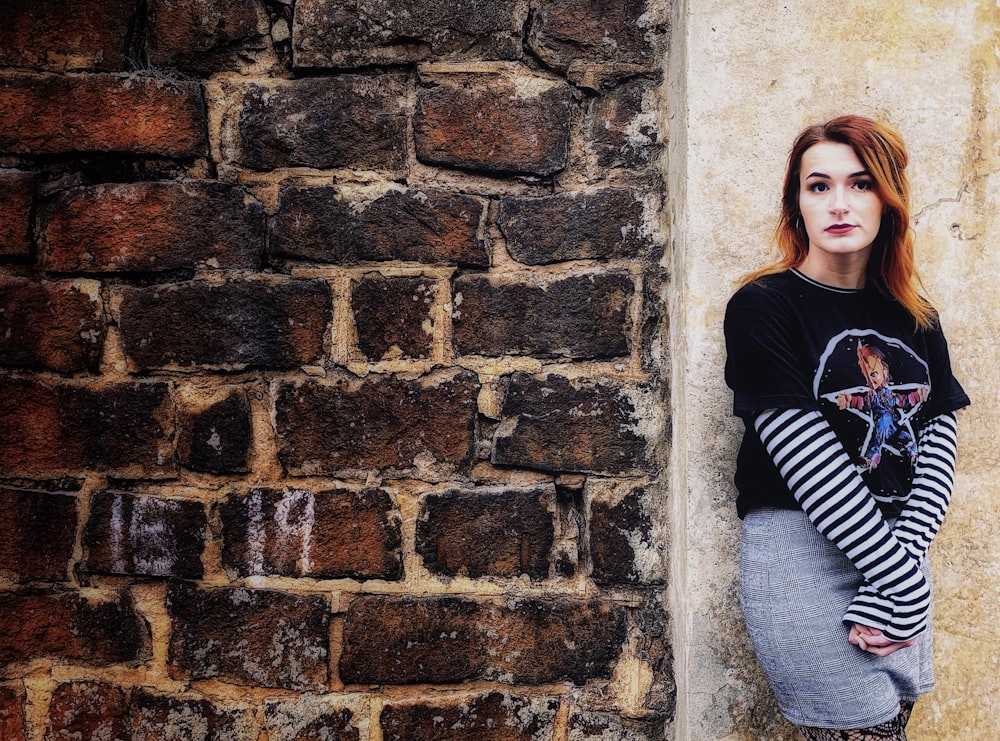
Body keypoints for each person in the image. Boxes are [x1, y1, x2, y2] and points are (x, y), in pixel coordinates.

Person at [723, 115, 970, 740]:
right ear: (795, 203)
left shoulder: (916, 315)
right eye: (818, 186)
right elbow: (806, 458)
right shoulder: (762, 306)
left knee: (891, 728)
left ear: (889, 202)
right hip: (804, 554)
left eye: (860, 185)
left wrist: (902, 573)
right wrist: (900, 584)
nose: (838, 203)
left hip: (897, 557)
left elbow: (937, 439)